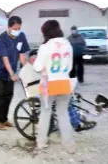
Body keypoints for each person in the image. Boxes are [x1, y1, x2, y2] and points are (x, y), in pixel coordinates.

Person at [33, 20, 75, 153]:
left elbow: (38, 67)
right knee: (63, 114)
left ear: (45, 32)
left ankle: (41, 142)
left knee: (45, 114)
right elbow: (70, 67)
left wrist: (35, 62)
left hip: (48, 85)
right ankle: (69, 145)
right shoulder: (68, 44)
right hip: (64, 84)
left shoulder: (45, 47)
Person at [0, 16, 30, 130]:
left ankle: (4, 119)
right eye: (15, 28)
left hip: (11, 72)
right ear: (8, 27)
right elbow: (5, 58)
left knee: (8, 96)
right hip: (0, 71)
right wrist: (12, 74)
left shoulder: (21, 36)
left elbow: (22, 54)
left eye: (19, 28)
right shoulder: (1, 39)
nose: (17, 31)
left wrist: (26, 69)